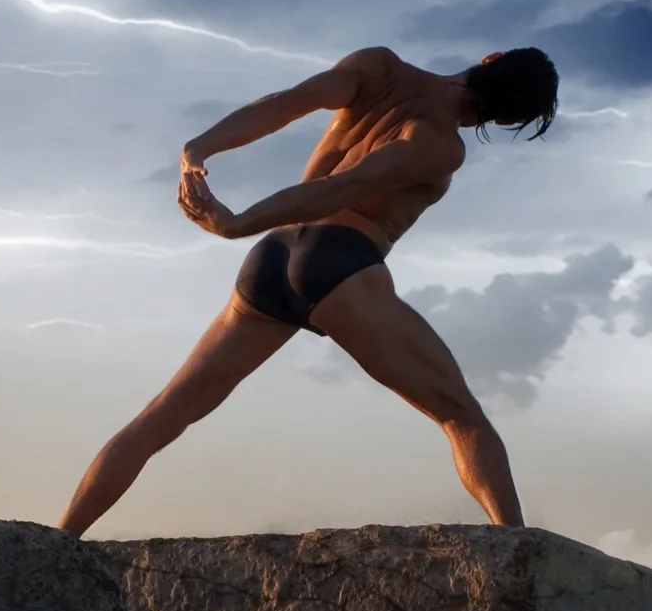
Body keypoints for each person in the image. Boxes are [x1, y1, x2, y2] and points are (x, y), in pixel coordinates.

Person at [54, 44, 558, 538]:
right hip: (341, 262)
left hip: (271, 260)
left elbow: (281, 105)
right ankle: (516, 551)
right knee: (458, 413)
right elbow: (345, 189)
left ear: (491, 59)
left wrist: (198, 149)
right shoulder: (441, 146)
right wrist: (234, 224)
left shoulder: (378, 68)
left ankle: (62, 538)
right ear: (510, 121)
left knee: (167, 410)